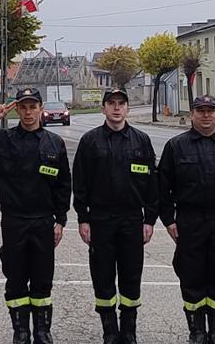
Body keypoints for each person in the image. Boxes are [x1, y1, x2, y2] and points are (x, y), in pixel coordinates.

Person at [0, 87, 71, 344]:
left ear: (40, 109)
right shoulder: (1, 140)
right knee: (16, 279)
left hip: (43, 221)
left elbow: (64, 186)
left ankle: (42, 331)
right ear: (17, 109)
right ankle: (21, 331)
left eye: (33, 107)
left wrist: (61, 220)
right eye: (23, 107)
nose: (28, 112)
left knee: (43, 281)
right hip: (13, 221)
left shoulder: (54, 143)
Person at [158, 94, 215, 344]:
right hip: (190, 221)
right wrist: (169, 220)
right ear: (192, 115)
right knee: (192, 279)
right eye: (201, 111)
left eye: (211, 110)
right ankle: (197, 331)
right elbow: (162, 188)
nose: (206, 115)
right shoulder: (176, 147)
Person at [74, 87, 160, 344]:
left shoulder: (141, 140)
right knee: (102, 275)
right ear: (103, 109)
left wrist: (149, 219)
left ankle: (129, 328)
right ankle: (109, 328)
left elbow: (151, 184)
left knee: (132, 274)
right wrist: (83, 218)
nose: (116, 108)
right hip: (101, 219)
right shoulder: (90, 141)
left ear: (127, 109)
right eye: (111, 103)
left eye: (121, 103)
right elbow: (80, 182)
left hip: (132, 219)